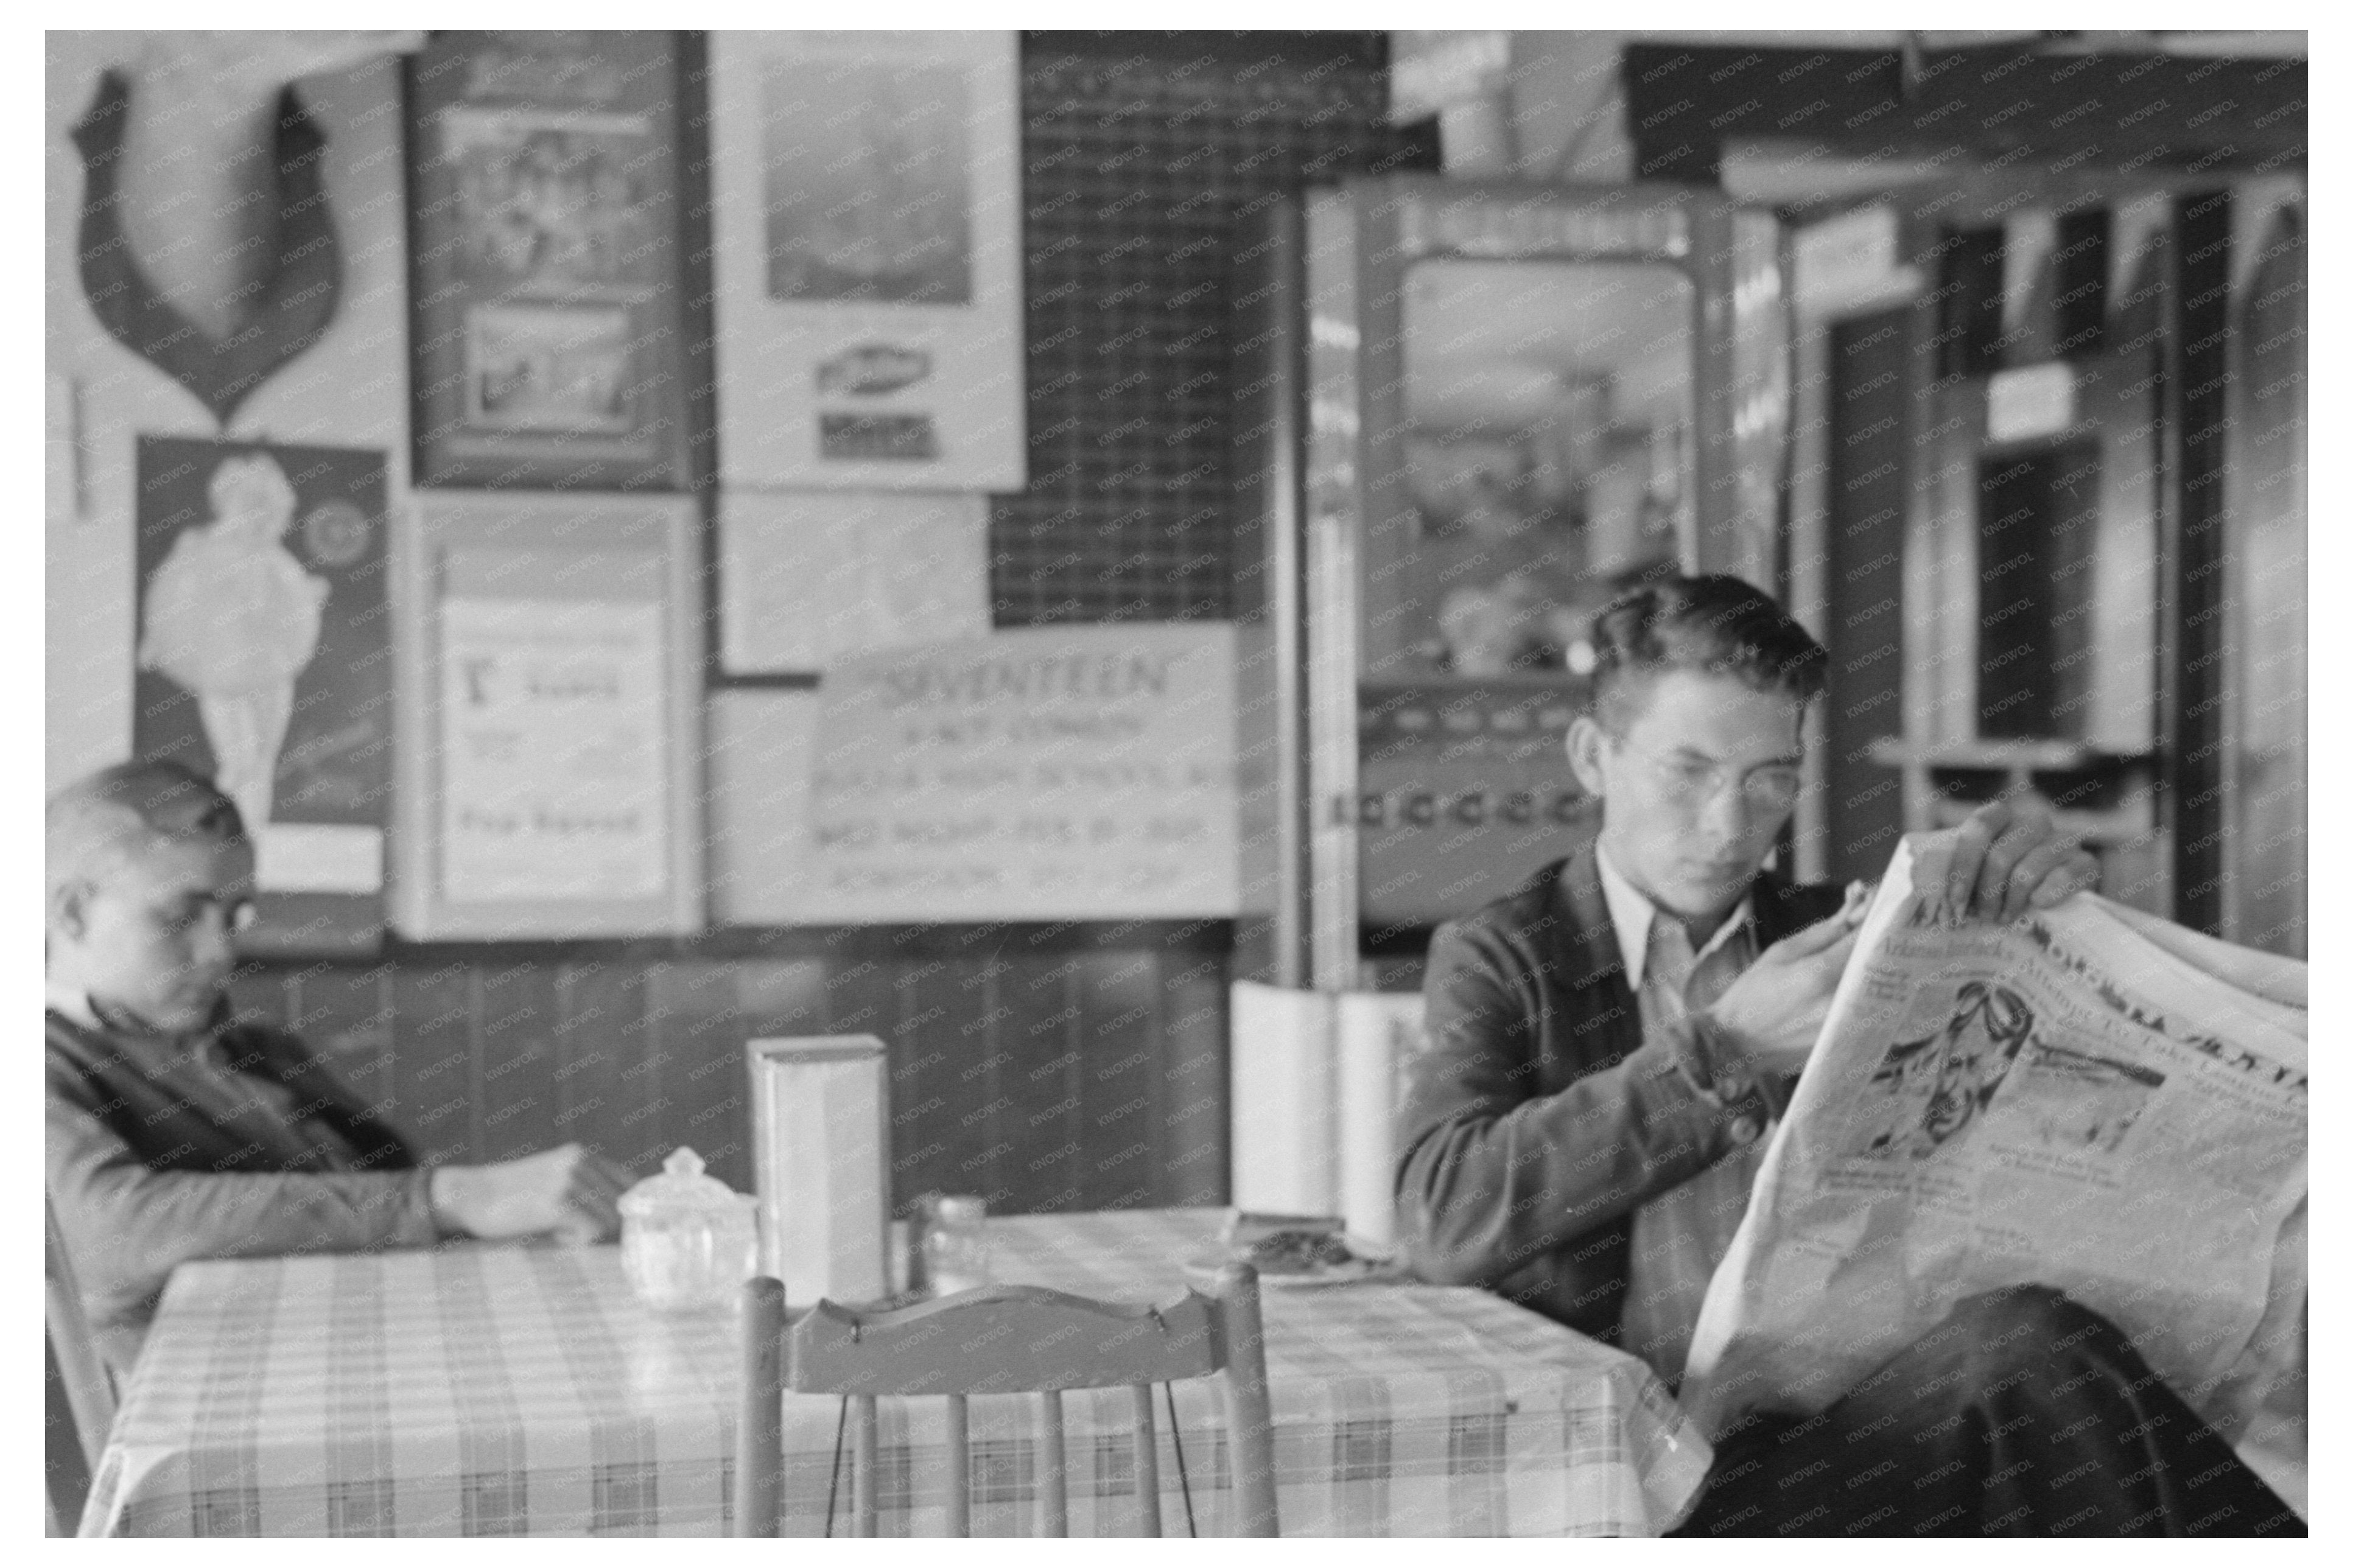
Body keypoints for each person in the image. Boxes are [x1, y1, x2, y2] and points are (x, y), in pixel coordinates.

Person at [1392, 574, 2302, 1536]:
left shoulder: (1849, 935)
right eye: (1686, 770)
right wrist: (1723, 1051)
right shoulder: (1507, 952)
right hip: (1640, 1484)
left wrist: (2060, 925)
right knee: (2035, 1370)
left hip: (1838, 1432)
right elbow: (1444, 1214)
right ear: (1592, 756)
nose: (1727, 823)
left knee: (2046, 1362)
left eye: (1770, 778)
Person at [45, 760, 633, 1375]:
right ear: (73, 913)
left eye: (234, 914)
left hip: (385, 1359)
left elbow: (392, 1185)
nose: (221, 949)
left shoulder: (257, 1047)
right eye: (179, 915)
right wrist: (452, 1194)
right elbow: (109, 1237)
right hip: (232, 1419)